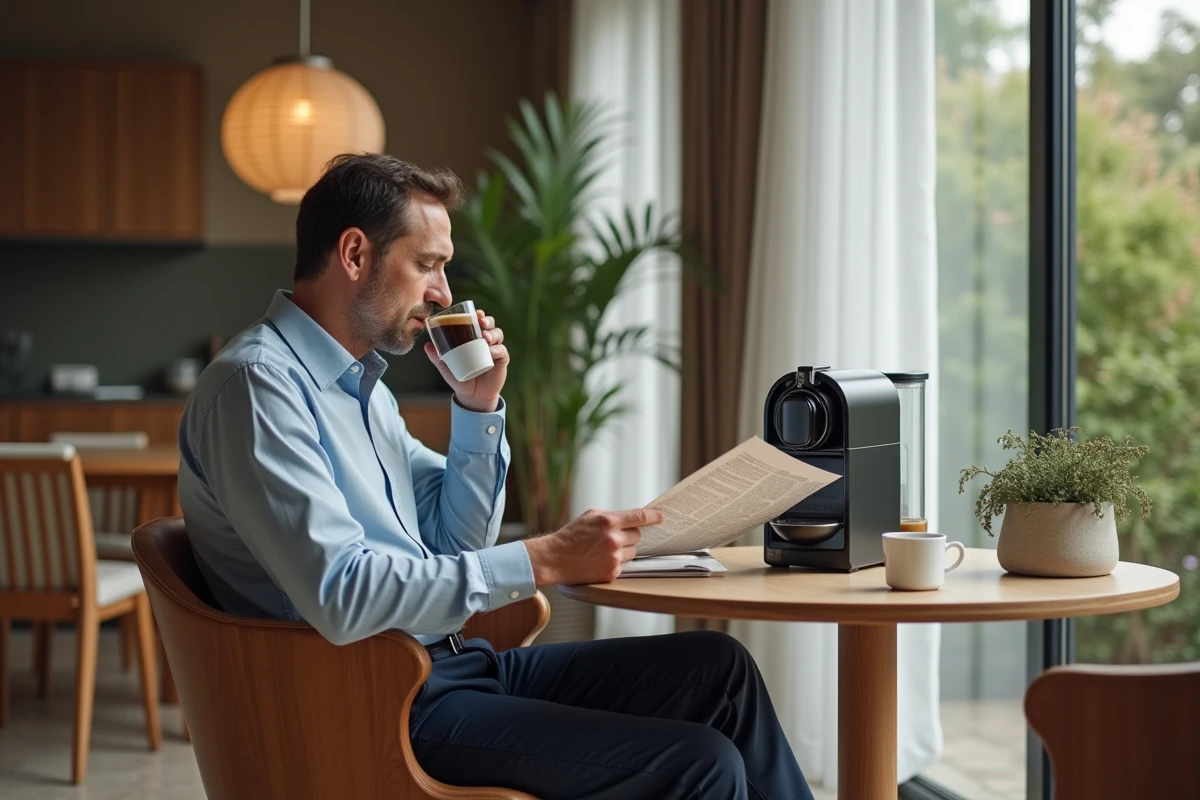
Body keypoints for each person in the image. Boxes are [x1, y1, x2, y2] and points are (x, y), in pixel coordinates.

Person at [178, 153, 814, 800]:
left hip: (450, 668)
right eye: (427, 264)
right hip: (371, 704)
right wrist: (544, 559)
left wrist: (476, 408)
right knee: (699, 762)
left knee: (718, 670)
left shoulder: (363, 389)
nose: (444, 293)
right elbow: (343, 596)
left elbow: (458, 547)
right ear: (354, 254)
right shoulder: (259, 388)